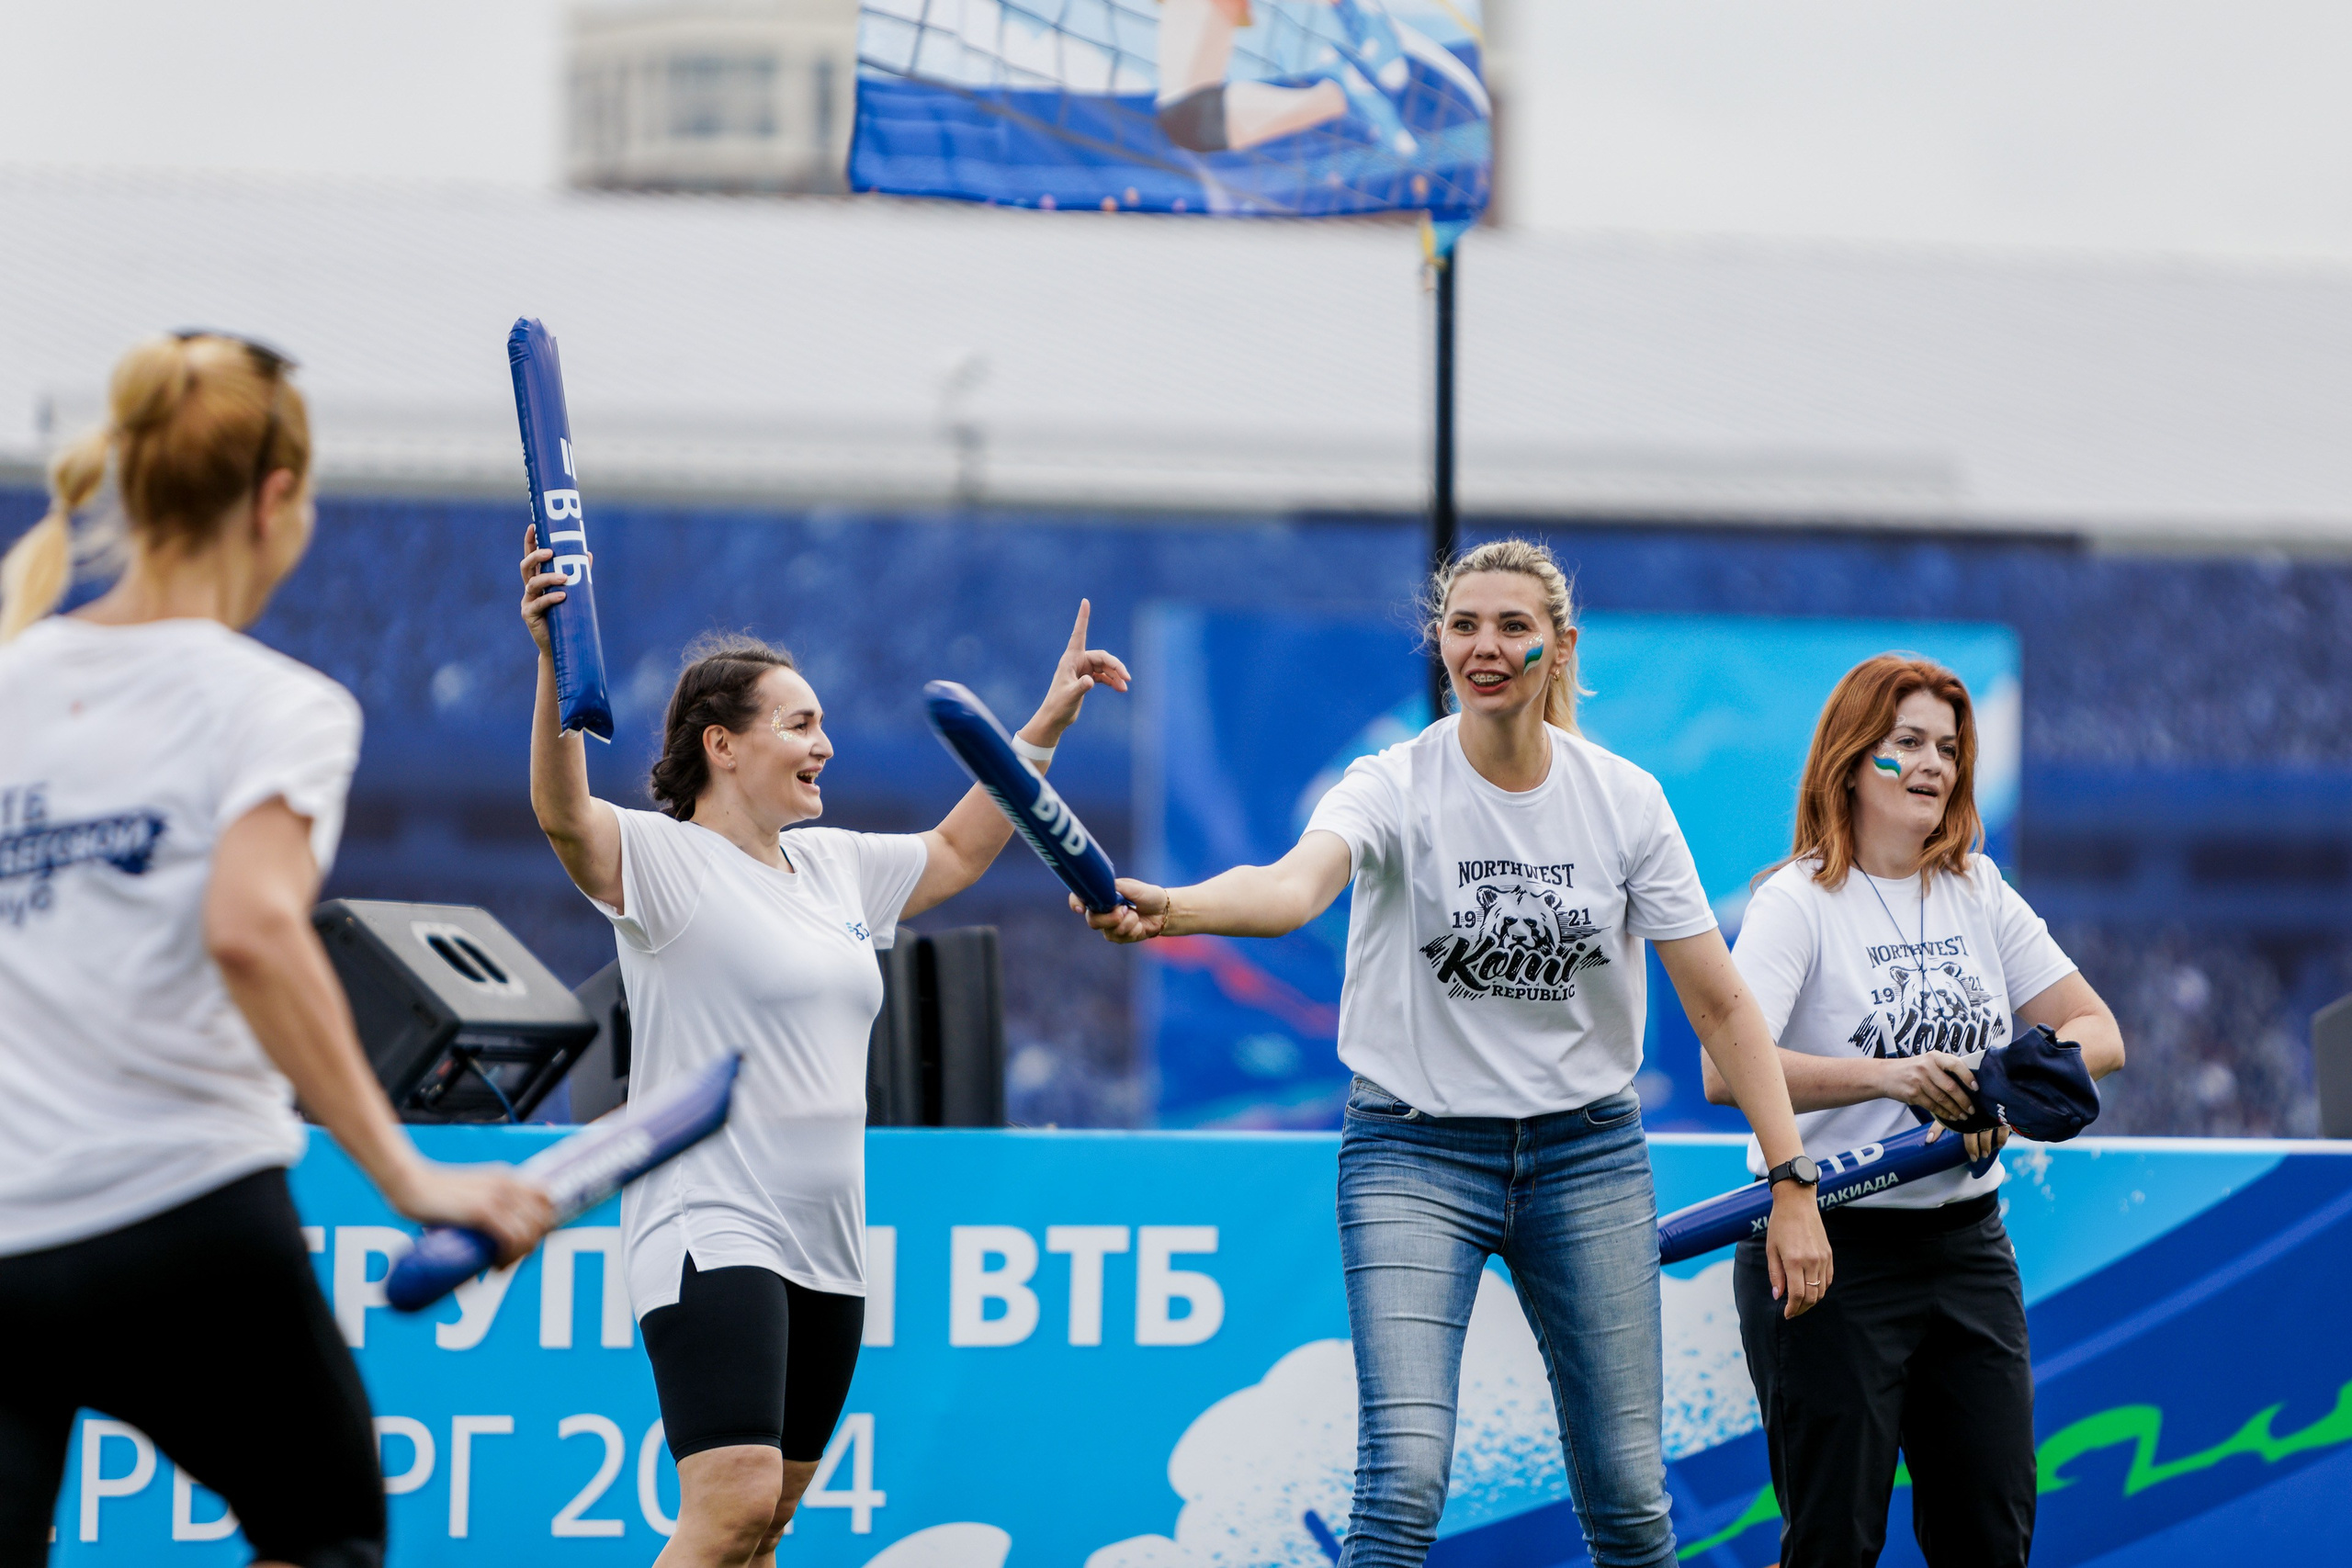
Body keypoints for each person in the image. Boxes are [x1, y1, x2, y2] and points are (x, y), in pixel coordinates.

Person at [1077, 537, 1833, 1568]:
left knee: (1626, 1492)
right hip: (1411, 1156)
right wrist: (1171, 909)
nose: (1483, 645)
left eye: (1511, 627)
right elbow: (1290, 888)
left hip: (1587, 1157)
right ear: (1436, 642)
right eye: (1462, 625)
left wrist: (1791, 1178)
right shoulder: (1390, 783)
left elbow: (1724, 1005)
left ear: (1559, 647)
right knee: (1405, 1479)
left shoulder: (1625, 800)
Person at [0, 333, 552, 1568]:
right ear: (277, 500)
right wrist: (409, 1174)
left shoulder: (9, 676)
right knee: (327, 1531)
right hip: (183, 1219)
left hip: (6, 1237)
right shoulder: (276, 703)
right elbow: (252, 925)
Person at [519, 527, 1128, 1568]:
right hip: (710, 1220)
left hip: (829, 1241)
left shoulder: (836, 865)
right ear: (724, 744)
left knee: (767, 1526)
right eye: (802, 725)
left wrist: (1040, 727)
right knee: (728, 1505)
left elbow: (955, 849)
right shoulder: (664, 861)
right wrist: (551, 657)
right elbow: (563, 814)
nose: (825, 745)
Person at [1706, 653, 2126, 1568]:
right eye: (1906, 743)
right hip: (1828, 1253)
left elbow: (2099, 1033)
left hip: (1967, 1247)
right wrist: (1891, 1077)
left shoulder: (1978, 888)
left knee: (1990, 1537)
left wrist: (1995, 1085)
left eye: (1947, 746)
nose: (1933, 764)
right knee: (1832, 1545)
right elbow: (1722, 1068)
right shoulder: (1796, 901)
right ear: (1854, 759)